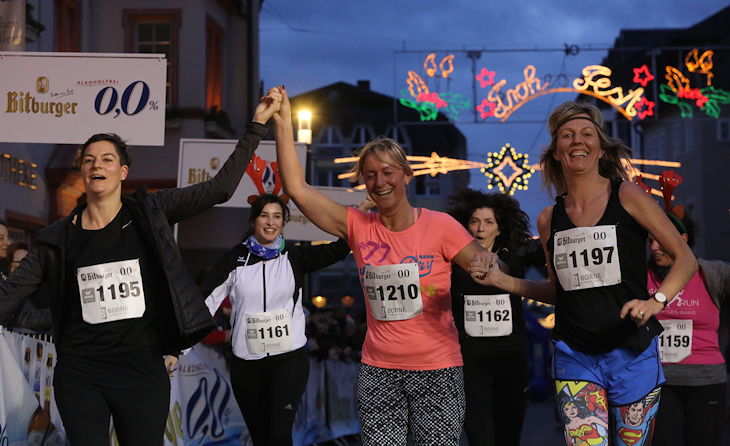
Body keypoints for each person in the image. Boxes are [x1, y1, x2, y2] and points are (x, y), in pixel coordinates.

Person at [0, 90, 282, 446]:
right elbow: (8, 295)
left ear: (122, 171)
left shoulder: (151, 213)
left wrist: (256, 126)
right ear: (82, 171)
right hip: (80, 372)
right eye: (89, 160)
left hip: (142, 370)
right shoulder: (56, 239)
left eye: (106, 159)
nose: (96, 165)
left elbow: (220, 189)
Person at [271, 86, 500, 446]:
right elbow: (296, 188)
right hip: (379, 372)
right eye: (371, 175)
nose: (380, 182)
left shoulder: (441, 226)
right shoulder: (357, 227)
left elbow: (486, 266)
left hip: (437, 370)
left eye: (388, 172)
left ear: (407, 175)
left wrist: (487, 263)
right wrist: (283, 121)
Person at [470, 101, 697, 446]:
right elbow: (557, 291)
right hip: (575, 355)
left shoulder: (628, 195)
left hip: (632, 351)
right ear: (557, 152)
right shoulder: (549, 220)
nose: (578, 140)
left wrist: (656, 301)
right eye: (568, 135)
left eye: (587, 134)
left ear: (601, 148)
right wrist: (502, 281)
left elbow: (685, 259)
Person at [202, 193, 352, 446]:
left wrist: (357, 217)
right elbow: (204, 305)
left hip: (288, 360)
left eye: (277, 216)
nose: (270, 222)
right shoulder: (234, 260)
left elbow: (338, 249)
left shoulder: (295, 257)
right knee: (262, 438)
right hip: (246, 363)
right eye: (264, 215)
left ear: (284, 222)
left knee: (279, 435)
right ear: (253, 221)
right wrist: (177, 348)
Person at [446, 189, 535, 446]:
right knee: (480, 437)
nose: (480, 229)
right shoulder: (452, 260)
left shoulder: (515, 253)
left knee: (509, 437)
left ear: (499, 228)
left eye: (488, 222)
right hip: (470, 361)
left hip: (510, 359)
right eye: (474, 221)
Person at [648, 210, 729, 446]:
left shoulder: (712, 274)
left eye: (659, 240)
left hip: (706, 382)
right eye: (650, 240)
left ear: (681, 240)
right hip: (658, 383)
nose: (653, 247)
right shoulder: (642, 277)